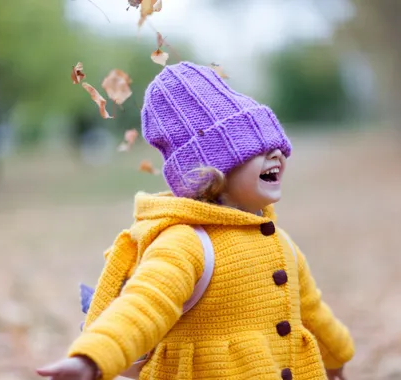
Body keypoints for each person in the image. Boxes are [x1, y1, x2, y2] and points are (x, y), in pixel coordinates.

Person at [36, 61, 354, 380]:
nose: (276, 155)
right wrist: (92, 358)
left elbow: (310, 311)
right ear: (211, 172)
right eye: (256, 148)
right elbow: (146, 304)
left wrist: (335, 354)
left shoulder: (279, 241)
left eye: (277, 146)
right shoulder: (188, 241)